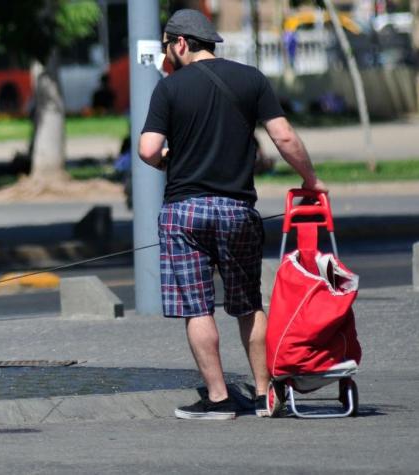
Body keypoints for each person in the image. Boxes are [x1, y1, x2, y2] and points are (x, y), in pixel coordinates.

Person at [138, 9, 327, 420]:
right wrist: (310, 180)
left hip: (184, 213)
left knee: (197, 308)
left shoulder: (169, 89)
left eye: (169, 46)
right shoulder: (251, 79)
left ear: (181, 43)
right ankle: (263, 396)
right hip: (237, 210)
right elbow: (283, 136)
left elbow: (149, 149)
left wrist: (172, 158)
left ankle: (219, 399)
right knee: (248, 304)